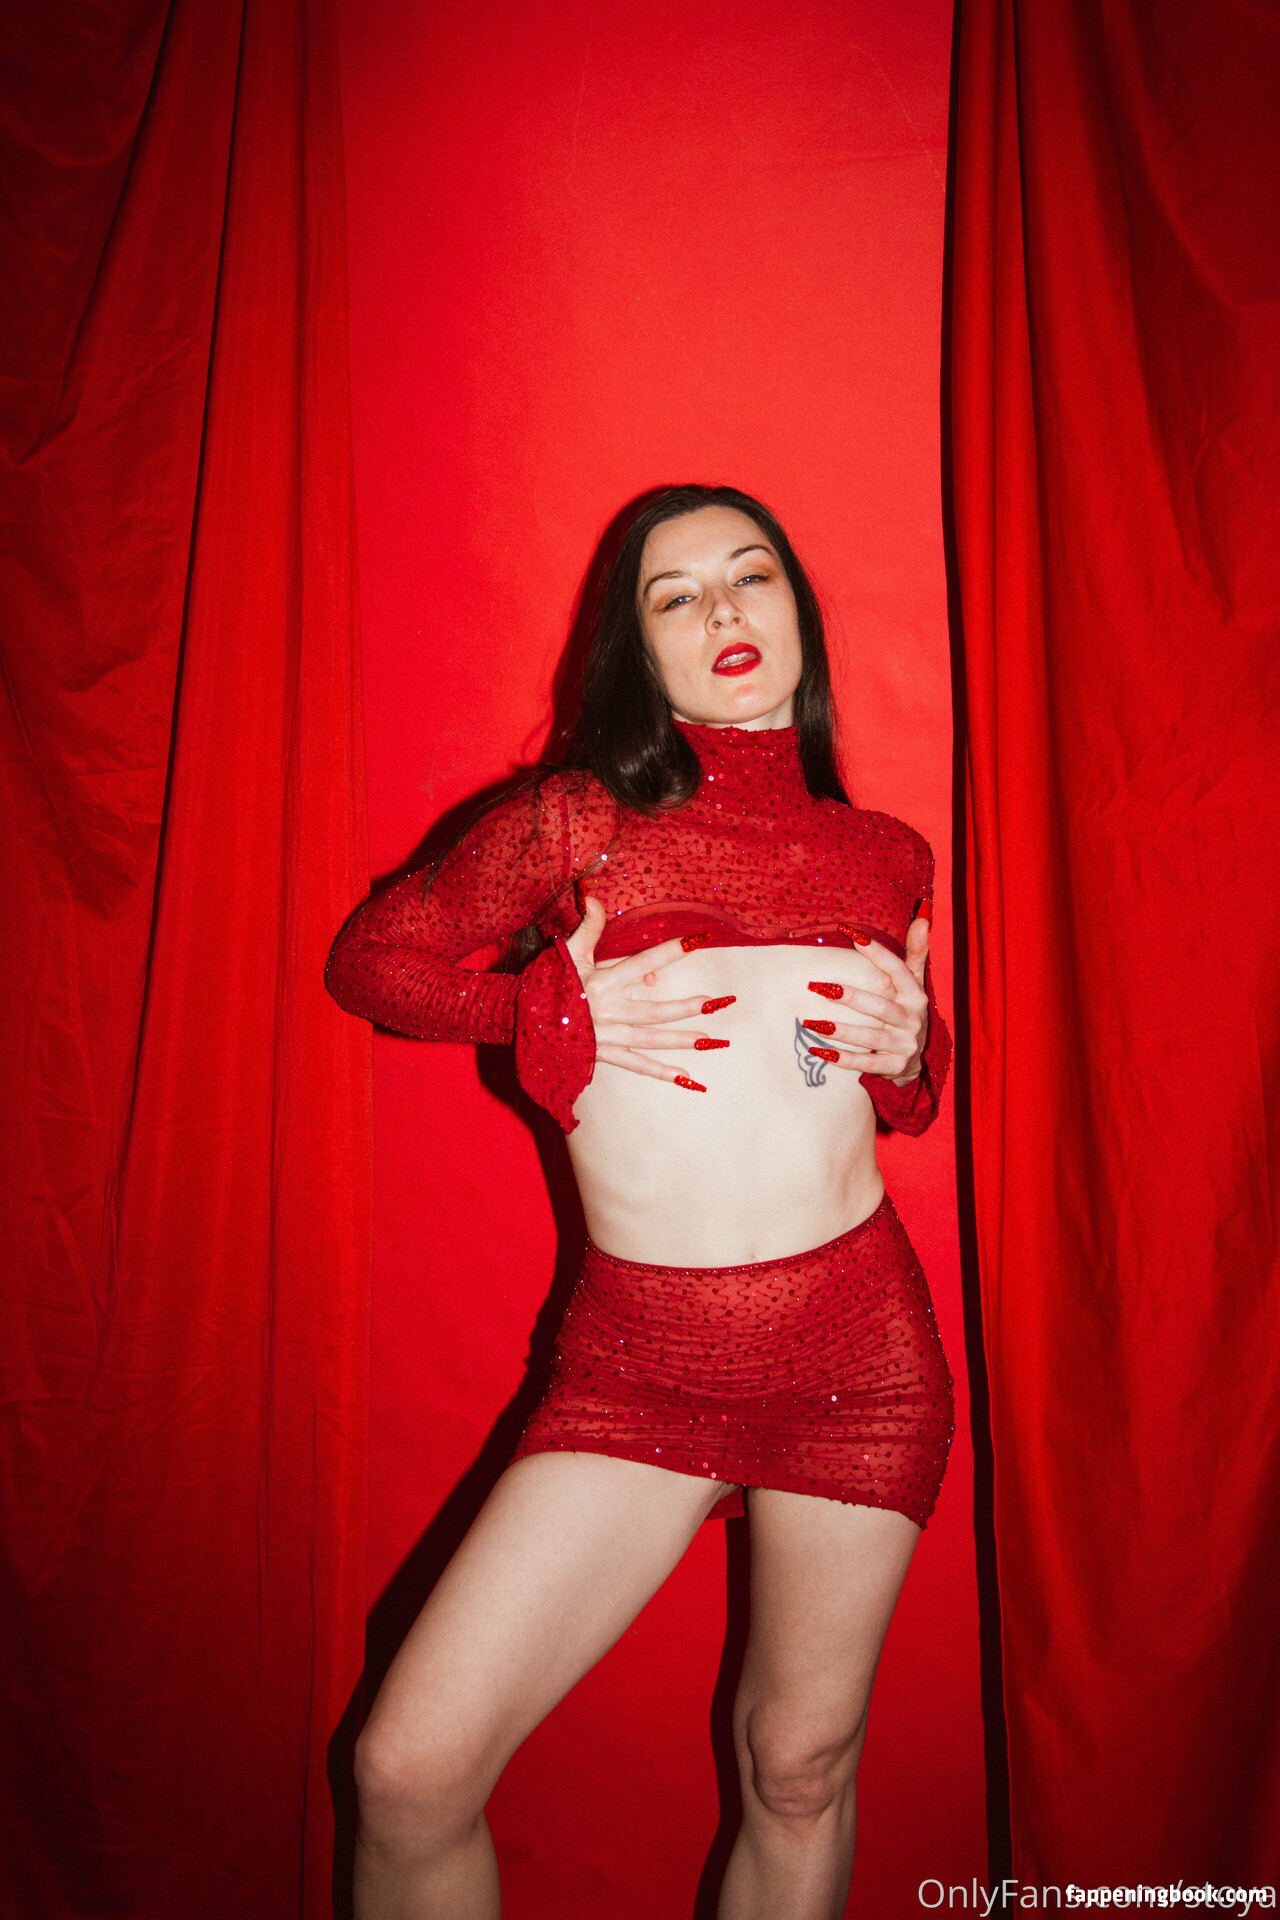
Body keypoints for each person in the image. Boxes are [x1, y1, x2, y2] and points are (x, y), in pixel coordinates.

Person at [325, 484, 954, 1920]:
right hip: (637, 1369)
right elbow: (373, 961)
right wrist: (542, 1007)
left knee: (799, 1769)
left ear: (799, 614)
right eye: (676, 595)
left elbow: (898, 1093)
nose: (723, 610)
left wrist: (911, 1050)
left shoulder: (885, 853)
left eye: (751, 575)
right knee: (408, 1772)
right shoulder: (576, 821)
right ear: (638, 649)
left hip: (860, 1357)